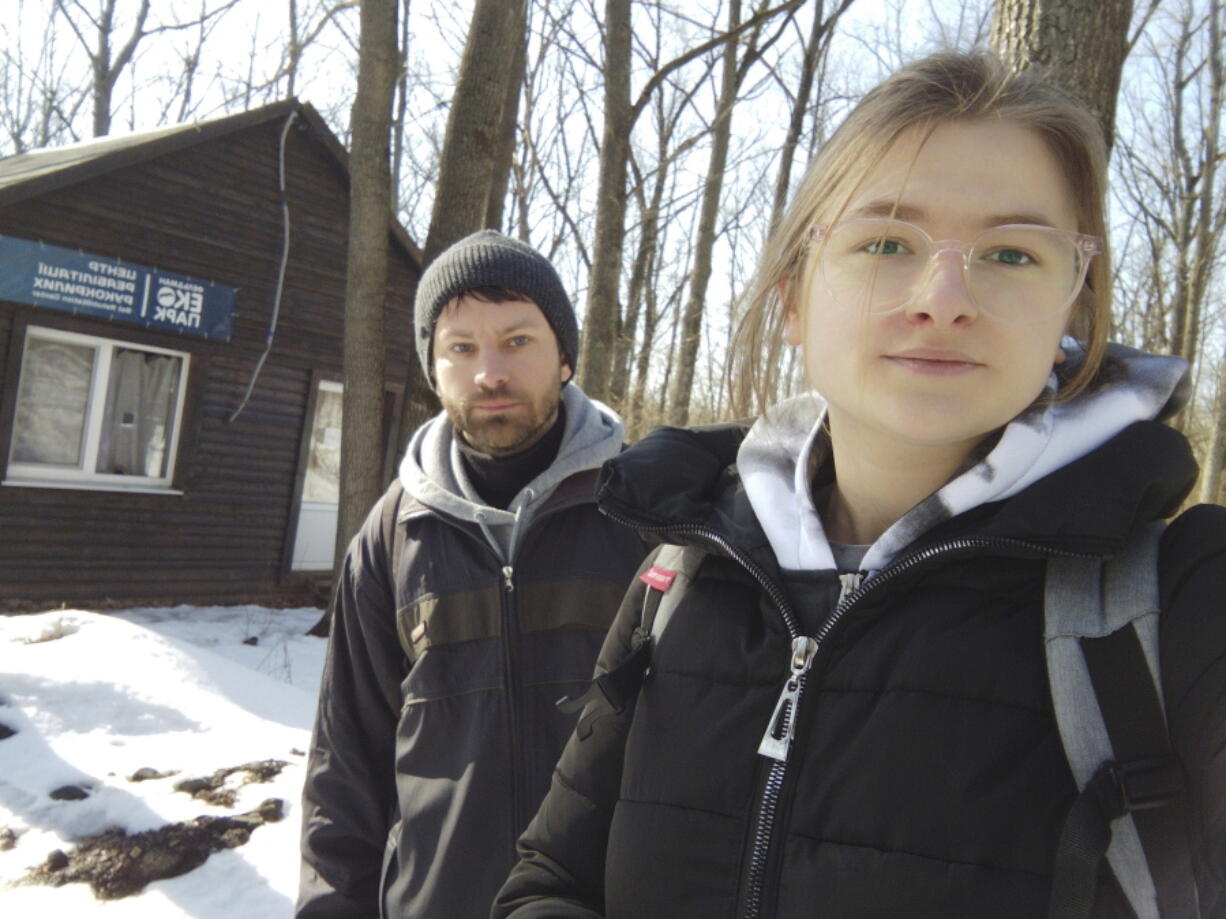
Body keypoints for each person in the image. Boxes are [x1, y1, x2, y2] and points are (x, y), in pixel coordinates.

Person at [493, 52, 1226, 919]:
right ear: (794, 296)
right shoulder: (686, 571)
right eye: (885, 241)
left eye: (1012, 253)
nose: (944, 297)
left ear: (1072, 301)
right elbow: (551, 879)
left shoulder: (1176, 600)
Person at [296, 230, 648, 919]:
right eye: (461, 347)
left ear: (566, 357)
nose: (490, 371)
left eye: (518, 340)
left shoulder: (647, 516)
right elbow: (345, 767)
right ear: (434, 368)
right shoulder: (390, 539)